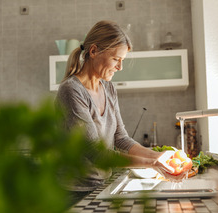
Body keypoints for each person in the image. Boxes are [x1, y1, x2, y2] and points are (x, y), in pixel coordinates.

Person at [55, 20, 186, 204]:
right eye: (116, 59)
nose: (120, 67)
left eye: (122, 61)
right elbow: (96, 154)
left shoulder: (108, 88)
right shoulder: (71, 91)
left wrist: (157, 156)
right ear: (93, 51)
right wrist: (152, 164)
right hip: (73, 192)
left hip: (101, 185)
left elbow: (121, 138)